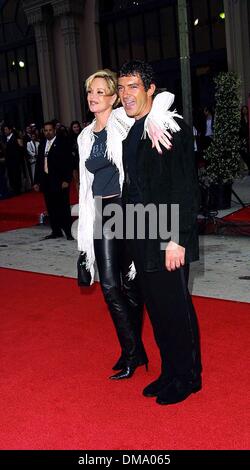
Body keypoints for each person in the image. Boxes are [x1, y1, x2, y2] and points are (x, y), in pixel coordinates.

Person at [77, 69, 171, 380]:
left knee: (132, 284)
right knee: (108, 283)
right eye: (91, 91)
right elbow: (84, 186)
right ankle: (133, 350)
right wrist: (82, 242)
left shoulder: (122, 120)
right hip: (101, 211)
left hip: (127, 207)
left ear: (114, 97)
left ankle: (131, 350)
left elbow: (162, 101)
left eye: (101, 92)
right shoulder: (83, 136)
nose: (94, 97)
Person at [117, 60, 202, 405]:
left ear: (150, 88)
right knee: (157, 308)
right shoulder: (133, 129)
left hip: (167, 232)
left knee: (176, 309)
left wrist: (175, 239)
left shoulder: (170, 125)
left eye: (133, 86)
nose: (126, 95)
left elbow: (183, 187)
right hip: (140, 230)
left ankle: (188, 377)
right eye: (121, 88)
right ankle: (170, 371)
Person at [34, 121, 73, 240]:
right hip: (46, 181)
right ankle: (56, 231)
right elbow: (39, 163)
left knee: (63, 207)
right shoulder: (42, 144)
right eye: (45, 130)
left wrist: (67, 179)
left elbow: (69, 162)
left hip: (60, 181)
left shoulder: (62, 143)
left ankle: (68, 231)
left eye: (50, 130)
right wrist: (36, 181)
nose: (48, 132)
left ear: (54, 130)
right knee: (51, 207)